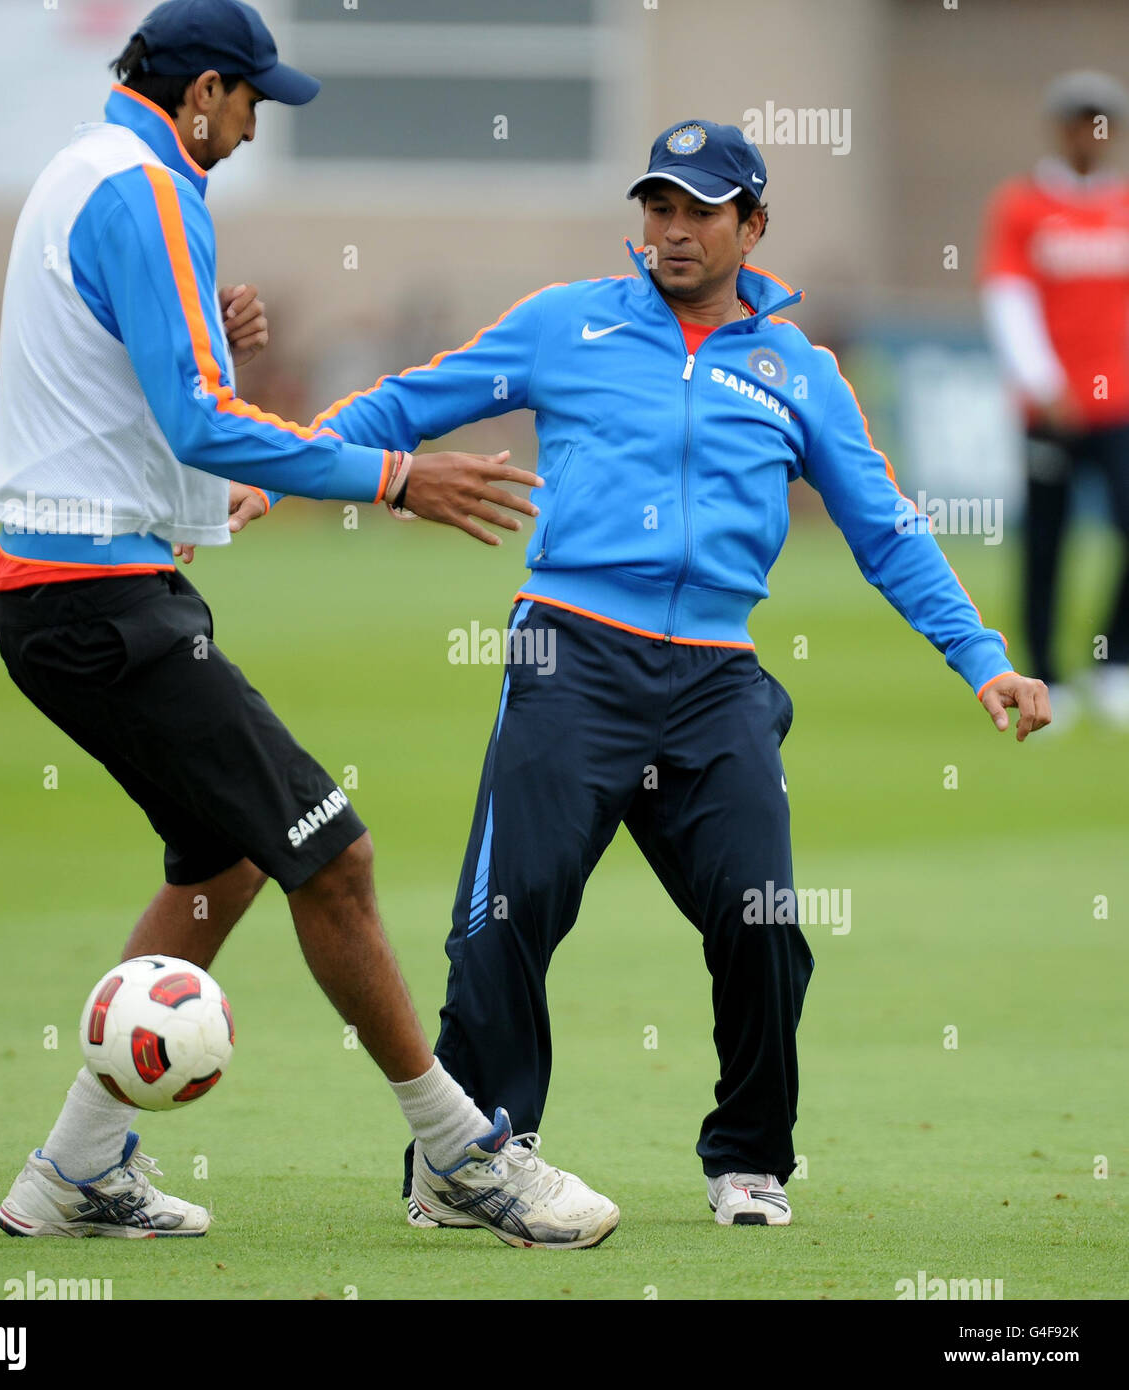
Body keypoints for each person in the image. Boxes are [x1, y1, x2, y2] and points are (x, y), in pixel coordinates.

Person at [310, 119, 1052, 1229]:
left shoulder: (798, 370)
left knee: (764, 921)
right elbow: (406, 404)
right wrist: (277, 468)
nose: (673, 231)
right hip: (570, 649)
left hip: (717, 676)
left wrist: (983, 657)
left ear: (753, 226)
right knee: (504, 915)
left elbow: (887, 532)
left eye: (701, 211)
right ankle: (480, 1156)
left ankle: (751, 1159)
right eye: (658, 208)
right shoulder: (568, 322)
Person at [0, 0, 618, 1251]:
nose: (256, 124)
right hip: (97, 604)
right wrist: (396, 480)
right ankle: (466, 1153)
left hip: (85, 592)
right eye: (253, 102)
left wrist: (208, 358)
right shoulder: (148, 190)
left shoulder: (87, 168)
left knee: (224, 861)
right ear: (204, 90)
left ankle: (75, 1168)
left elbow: (132, 399)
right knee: (335, 858)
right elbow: (201, 422)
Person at [980, 69, 1129, 728]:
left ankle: (1116, 660)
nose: (1089, 134)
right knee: (1047, 540)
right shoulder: (1023, 206)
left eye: (1101, 122)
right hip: (1053, 406)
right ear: (1059, 127)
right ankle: (1048, 677)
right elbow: (1008, 299)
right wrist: (1045, 385)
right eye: (1079, 120)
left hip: (1120, 401)